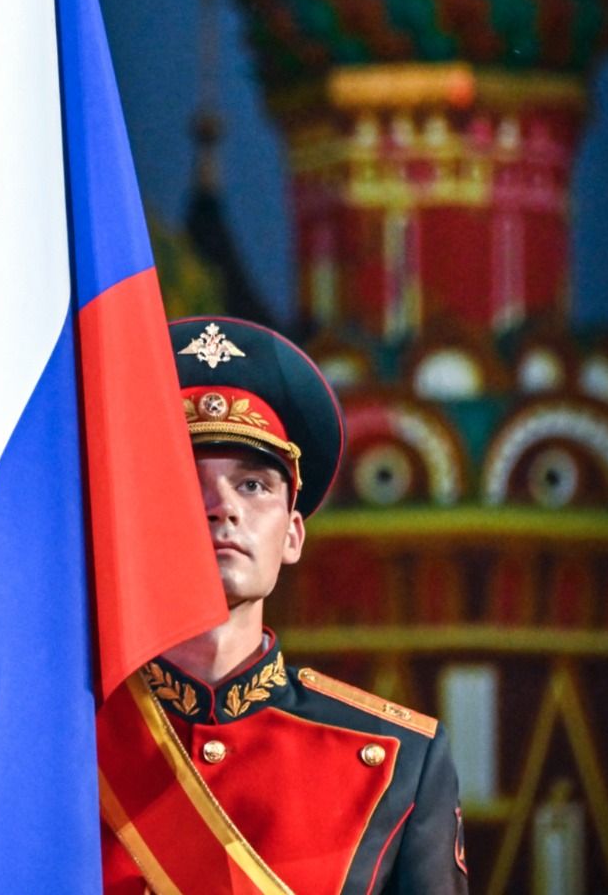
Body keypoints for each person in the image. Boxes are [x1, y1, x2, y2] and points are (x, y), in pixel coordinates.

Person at [99, 317, 468, 895]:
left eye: (253, 485)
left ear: (293, 535)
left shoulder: (400, 760)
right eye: (184, 483)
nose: (221, 507)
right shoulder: (65, 741)